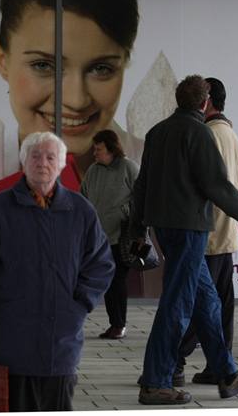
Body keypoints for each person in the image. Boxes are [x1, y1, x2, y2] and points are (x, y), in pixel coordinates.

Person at [0, 131, 115, 412]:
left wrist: (78, 304)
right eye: (35, 156)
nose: (42, 162)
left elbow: (101, 264)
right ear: (23, 162)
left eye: (50, 157)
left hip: (62, 332)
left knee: (57, 400)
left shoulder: (80, 211)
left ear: (61, 165)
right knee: (15, 403)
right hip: (9, 329)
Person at [132, 75, 238, 405]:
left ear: (178, 100)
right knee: (177, 304)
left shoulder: (157, 133)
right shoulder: (199, 132)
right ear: (205, 104)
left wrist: (137, 228)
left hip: (164, 228)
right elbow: (216, 184)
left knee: (207, 300)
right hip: (190, 229)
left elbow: (142, 185)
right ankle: (155, 382)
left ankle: (226, 374)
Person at [0, 0, 141, 178]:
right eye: (43, 65)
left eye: (101, 68)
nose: (76, 100)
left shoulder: (164, 171)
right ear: (3, 60)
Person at [175, 77, 238, 384]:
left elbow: (206, 185)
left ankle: (174, 361)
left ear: (208, 101)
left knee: (195, 303)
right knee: (221, 304)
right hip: (226, 233)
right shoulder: (230, 133)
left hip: (206, 232)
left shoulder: (207, 134)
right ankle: (218, 366)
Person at [80, 129, 139, 340]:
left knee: (117, 280)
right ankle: (115, 323)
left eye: (99, 149)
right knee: (107, 282)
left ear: (112, 149)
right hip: (99, 238)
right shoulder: (93, 171)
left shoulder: (129, 168)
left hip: (122, 237)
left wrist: (126, 213)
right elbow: (83, 197)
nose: (95, 153)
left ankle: (118, 324)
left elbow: (142, 198)